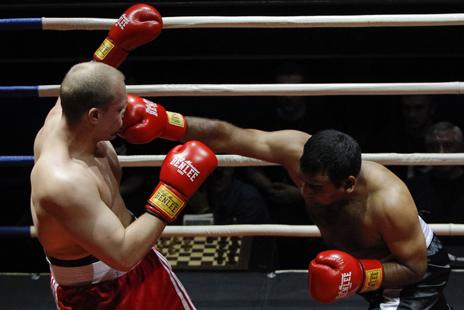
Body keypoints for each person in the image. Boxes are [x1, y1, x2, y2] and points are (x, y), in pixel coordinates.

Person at [182, 117, 452, 309]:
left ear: (348, 184)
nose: (305, 192)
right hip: (373, 265)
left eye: (315, 187)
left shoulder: (389, 201)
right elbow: (227, 134)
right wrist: (164, 121)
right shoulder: (295, 151)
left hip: (415, 271)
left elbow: (415, 268)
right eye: (302, 181)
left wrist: (357, 274)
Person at [30, 61, 217, 309]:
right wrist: (173, 193)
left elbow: (85, 80)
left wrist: (116, 45)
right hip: (99, 291)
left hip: (134, 268)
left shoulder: (68, 116)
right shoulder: (63, 181)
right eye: (120, 110)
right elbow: (123, 255)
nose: (127, 116)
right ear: (94, 115)